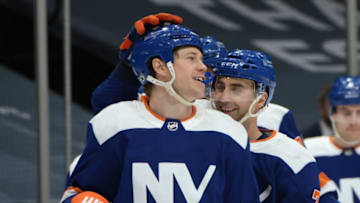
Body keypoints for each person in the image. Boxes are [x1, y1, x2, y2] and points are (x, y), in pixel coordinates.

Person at [61, 22, 260, 202]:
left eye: (201, 59)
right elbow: (76, 193)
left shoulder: (228, 132)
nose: (203, 67)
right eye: (192, 58)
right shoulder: (114, 123)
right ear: (160, 66)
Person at [304, 76, 360, 203]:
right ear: (332, 114)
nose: (354, 121)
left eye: (359, 112)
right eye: (346, 113)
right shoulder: (307, 152)